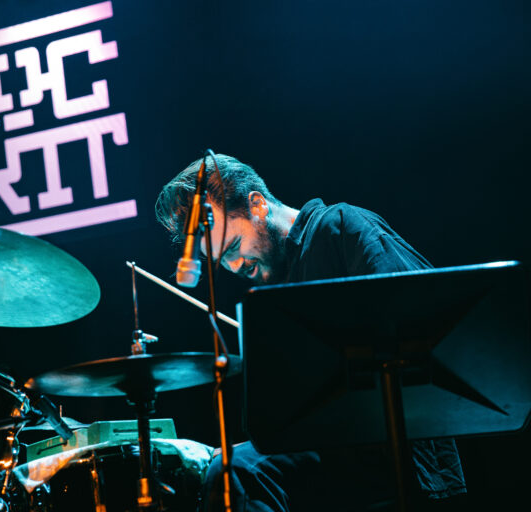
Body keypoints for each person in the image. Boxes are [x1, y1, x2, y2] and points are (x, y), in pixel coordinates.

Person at [155, 154, 467, 511]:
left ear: (257, 206)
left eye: (232, 248)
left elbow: (425, 320)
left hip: (395, 447)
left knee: (236, 472)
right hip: (333, 448)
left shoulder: (341, 227)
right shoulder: (272, 287)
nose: (235, 265)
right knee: (224, 469)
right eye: (222, 261)